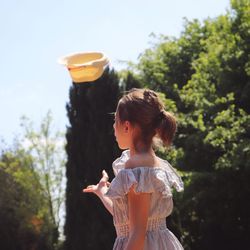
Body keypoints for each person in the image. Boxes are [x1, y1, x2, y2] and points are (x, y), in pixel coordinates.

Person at [83, 88, 184, 250]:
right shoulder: (150, 163)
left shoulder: (136, 166)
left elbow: (137, 233)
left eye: (115, 121)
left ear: (127, 127)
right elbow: (130, 221)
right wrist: (102, 193)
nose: (113, 127)